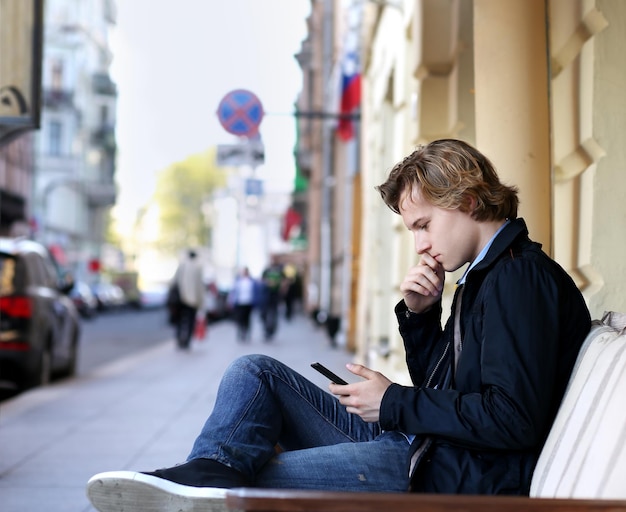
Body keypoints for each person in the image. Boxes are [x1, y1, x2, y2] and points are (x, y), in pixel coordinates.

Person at [86, 139, 591, 512]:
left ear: (467, 201)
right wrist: (420, 318)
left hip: (446, 474)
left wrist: (392, 402)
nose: (418, 244)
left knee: (254, 477)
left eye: (422, 225)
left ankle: (197, 489)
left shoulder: (518, 278)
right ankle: (202, 476)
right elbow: (455, 388)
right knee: (254, 371)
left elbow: (511, 418)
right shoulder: (485, 275)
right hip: (427, 448)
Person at [171, 249, 205, 349]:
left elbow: (174, 281)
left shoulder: (182, 265)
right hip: (192, 301)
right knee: (190, 322)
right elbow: (200, 287)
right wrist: (200, 302)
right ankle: (187, 341)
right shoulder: (198, 268)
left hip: (180, 299)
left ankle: (178, 339)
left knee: (179, 321)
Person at [229, 267, 258, 342]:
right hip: (240, 303)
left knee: (247, 319)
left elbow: (255, 292)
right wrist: (231, 302)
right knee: (240, 319)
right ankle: (240, 333)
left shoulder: (252, 281)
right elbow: (233, 292)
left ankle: (247, 333)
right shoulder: (238, 281)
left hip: (249, 303)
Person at [259, 258, 285, 340]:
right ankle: (266, 329)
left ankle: (271, 331)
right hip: (266, 296)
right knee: (264, 314)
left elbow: (285, 281)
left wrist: (281, 286)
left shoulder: (280, 271)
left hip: (275, 296)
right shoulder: (266, 270)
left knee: (273, 314)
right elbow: (262, 280)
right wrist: (268, 283)